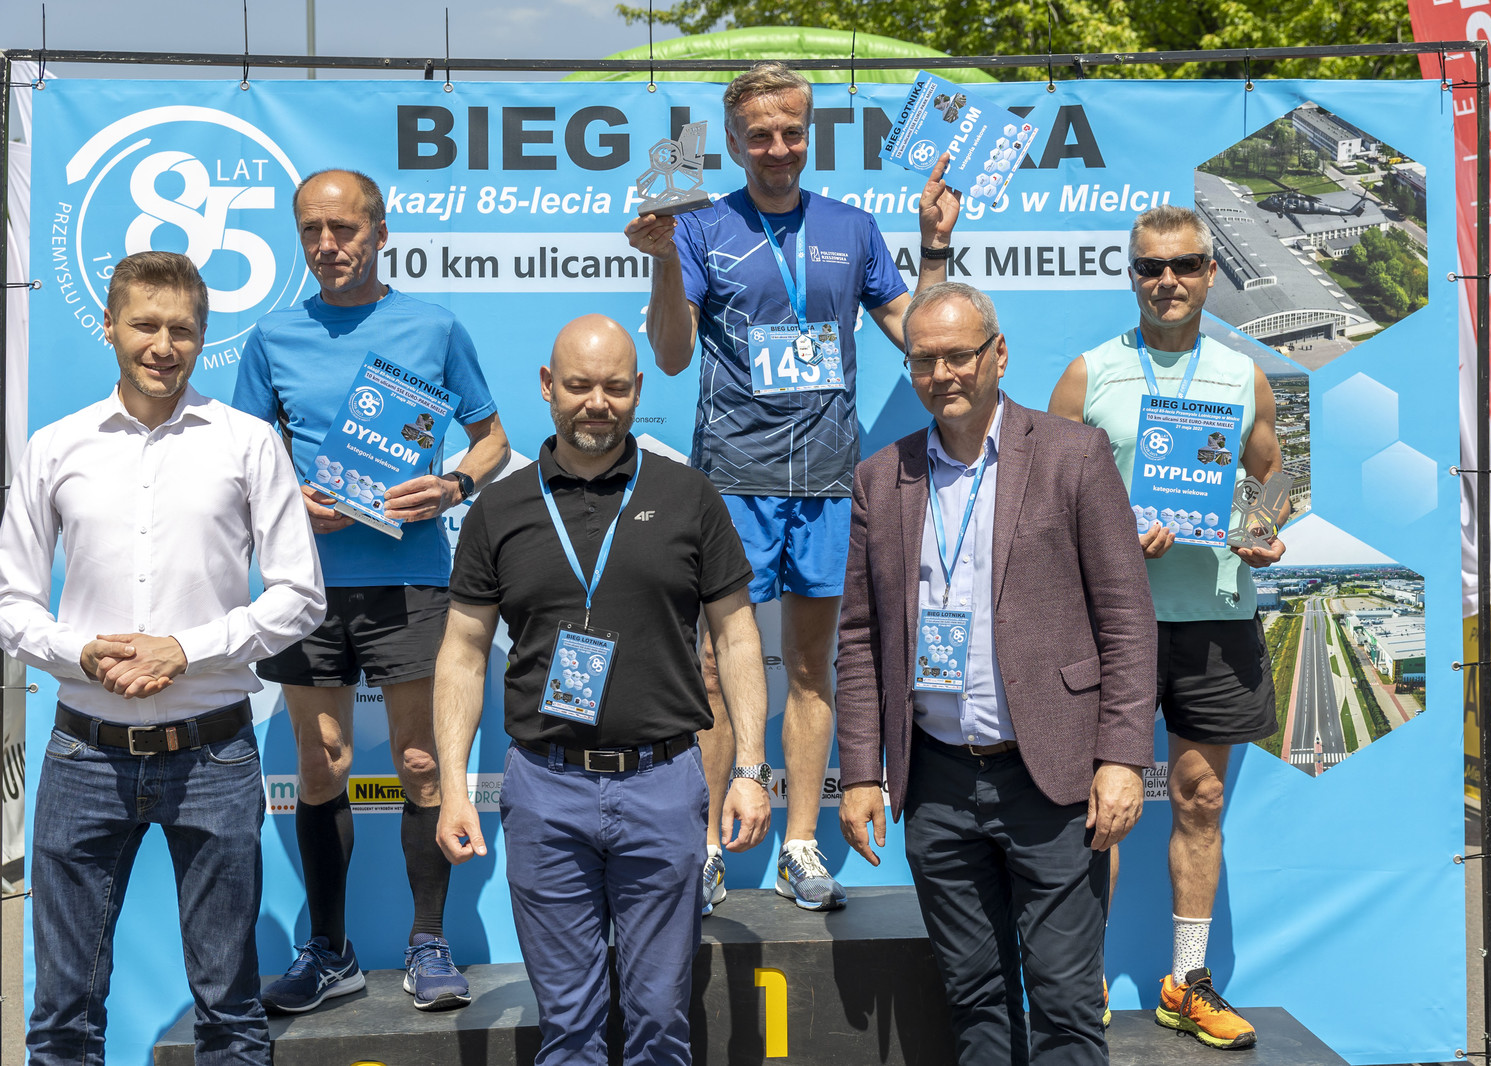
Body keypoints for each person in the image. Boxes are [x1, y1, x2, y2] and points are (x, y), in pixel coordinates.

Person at [624, 60, 962, 913]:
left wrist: (933, 247)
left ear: (810, 134)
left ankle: (800, 843)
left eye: (792, 132)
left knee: (814, 667)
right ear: (733, 144)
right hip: (731, 482)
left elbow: (919, 335)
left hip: (826, 483)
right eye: (759, 135)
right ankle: (707, 847)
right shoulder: (701, 226)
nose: (778, 148)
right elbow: (671, 355)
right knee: (712, 671)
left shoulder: (852, 227)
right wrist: (663, 259)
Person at [0, 251, 325, 1065]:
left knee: (230, 1013)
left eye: (181, 329)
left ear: (203, 337)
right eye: (145, 325)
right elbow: (10, 603)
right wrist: (82, 653)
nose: (163, 345)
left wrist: (185, 650)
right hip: (83, 755)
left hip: (215, 754)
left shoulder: (248, 443)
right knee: (62, 1016)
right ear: (110, 327)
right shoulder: (56, 446)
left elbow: (300, 595)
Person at [433, 314, 771, 1065]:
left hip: (663, 786)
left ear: (638, 390)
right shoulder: (499, 508)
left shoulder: (689, 495)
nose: (597, 403)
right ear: (547, 387)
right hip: (545, 792)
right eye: (579, 385)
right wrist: (454, 787)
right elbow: (461, 653)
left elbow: (737, 636)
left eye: (615, 387)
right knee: (569, 1028)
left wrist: (750, 766)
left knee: (660, 1022)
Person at [835, 282, 1157, 1065]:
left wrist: (1122, 757)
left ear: (999, 354)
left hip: (1052, 778)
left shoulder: (1073, 455)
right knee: (974, 998)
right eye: (923, 360)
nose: (942, 374)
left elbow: (1126, 617)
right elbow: (860, 637)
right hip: (938, 783)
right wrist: (861, 772)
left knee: (1065, 1003)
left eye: (959, 355)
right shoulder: (881, 478)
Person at [232, 168, 509, 1012]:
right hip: (306, 585)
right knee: (322, 764)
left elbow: (493, 440)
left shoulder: (433, 326)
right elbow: (242, 456)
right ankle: (330, 951)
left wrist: (454, 487)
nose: (327, 246)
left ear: (381, 232)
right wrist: (288, 499)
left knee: (423, 762)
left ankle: (428, 942)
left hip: (411, 577)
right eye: (311, 232)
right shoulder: (272, 337)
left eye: (344, 229)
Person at [1048, 204, 1290, 1050]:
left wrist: (1261, 528)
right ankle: (1078, 979)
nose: (1168, 281)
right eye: (1151, 267)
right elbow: (1046, 503)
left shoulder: (1243, 375)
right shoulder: (1089, 374)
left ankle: (1186, 982)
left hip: (1212, 616)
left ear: (1210, 273)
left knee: (1201, 799)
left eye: (1184, 265)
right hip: (1110, 621)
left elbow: (1273, 474)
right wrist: (1114, 534)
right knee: (1101, 806)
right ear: (1132, 276)